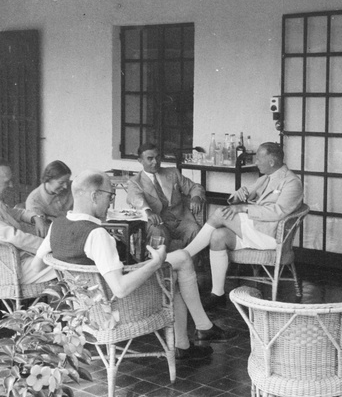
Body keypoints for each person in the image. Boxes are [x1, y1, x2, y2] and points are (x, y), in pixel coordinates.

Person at [34, 170, 236, 360]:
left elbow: (38, 267)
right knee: (173, 273)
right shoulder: (96, 235)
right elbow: (120, 289)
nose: (111, 203)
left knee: (181, 258)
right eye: (109, 196)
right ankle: (186, 341)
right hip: (120, 308)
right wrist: (155, 263)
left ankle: (195, 333)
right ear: (94, 196)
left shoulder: (56, 226)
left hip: (84, 307)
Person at [184, 142, 303, 309]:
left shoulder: (292, 182)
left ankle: (185, 255)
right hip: (256, 230)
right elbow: (246, 193)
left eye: (260, 158)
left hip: (271, 235)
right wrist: (240, 195)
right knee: (218, 236)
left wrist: (245, 207)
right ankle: (217, 294)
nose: (256, 162)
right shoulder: (266, 177)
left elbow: (278, 211)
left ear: (272, 161)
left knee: (220, 214)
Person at [127, 143, 206, 250]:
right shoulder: (135, 182)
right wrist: (148, 212)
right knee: (158, 231)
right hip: (158, 222)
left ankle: (190, 264)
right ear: (140, 161)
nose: (155, 162)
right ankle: (159, 265)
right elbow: (136, 198)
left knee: (194, 229)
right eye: (150, 159)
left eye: (157, 157)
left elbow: (195, 187)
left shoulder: (173, 173)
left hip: (180, 220)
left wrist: (196, 197)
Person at [0, 159, 56, 286]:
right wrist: (50, 247)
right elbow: (16, 237)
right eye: (7, 182)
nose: (11, 185)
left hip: (18, 262)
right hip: (10, 270)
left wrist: (35, 217)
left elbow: (16, 213)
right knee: (65, 263)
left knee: (66, 262)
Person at [26, 160, 73, 237]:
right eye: (61, 182)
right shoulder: (34, 201)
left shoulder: (73, 187)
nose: (65, 186)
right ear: (48, 179)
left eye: (67, 182)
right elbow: (41, 229)